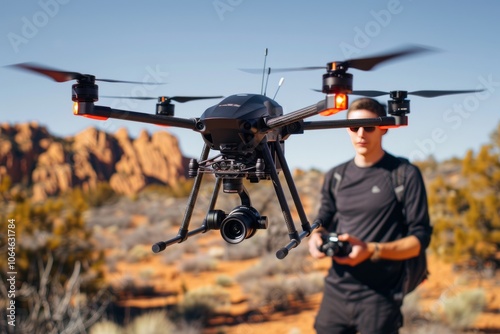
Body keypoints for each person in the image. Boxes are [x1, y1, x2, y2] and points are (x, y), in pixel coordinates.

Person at [308, 97, 432, 334]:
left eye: (369, 127)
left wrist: (372, 250)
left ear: (384, 128)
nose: (361, 134)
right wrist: (316, 235)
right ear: (347, 129)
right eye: (354, 127)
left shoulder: (404, 174)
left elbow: (419, 239)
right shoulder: (336, 176)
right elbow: (323, 217)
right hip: (336, 290)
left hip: (381, 295)